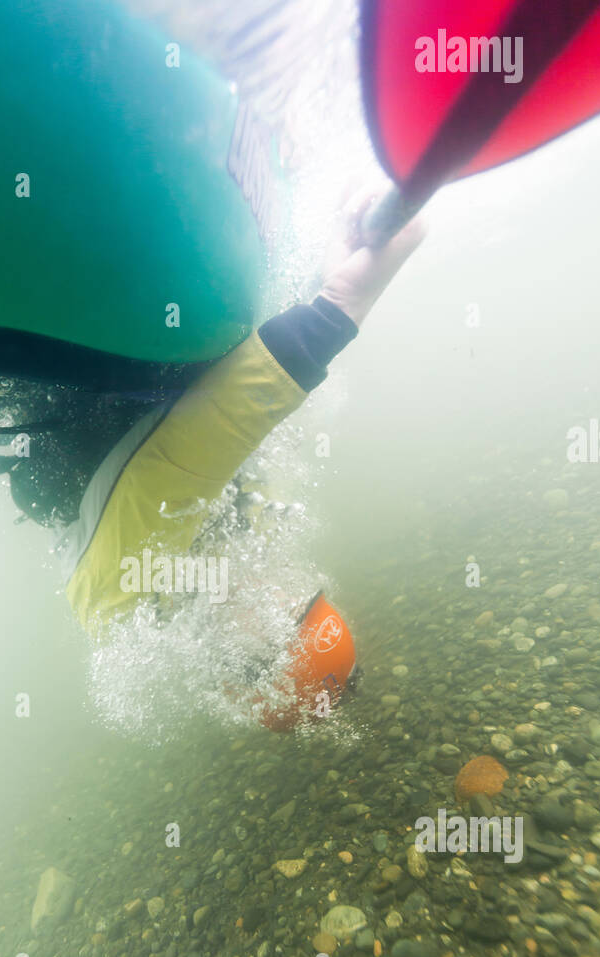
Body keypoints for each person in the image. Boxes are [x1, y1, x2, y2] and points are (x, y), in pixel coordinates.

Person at [52, 190, 425, 727]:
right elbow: (267, 430)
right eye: (305, 600)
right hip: (149, 378)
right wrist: (319, 277)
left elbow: (196, 451)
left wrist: (337, 309)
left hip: (67, 396)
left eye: (288, 616)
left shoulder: (123, 603)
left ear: (243, 660)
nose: (283, 589)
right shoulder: (248, 537)